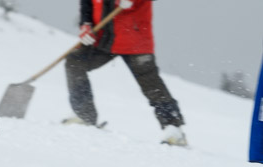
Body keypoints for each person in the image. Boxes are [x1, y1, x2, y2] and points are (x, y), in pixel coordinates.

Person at [64, 0, 187, 146]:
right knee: (75, 62)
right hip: (103, 38)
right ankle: (84, 115)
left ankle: (173, 128)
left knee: (150, 83)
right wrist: (86, 23)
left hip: (134, 38)